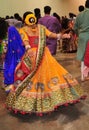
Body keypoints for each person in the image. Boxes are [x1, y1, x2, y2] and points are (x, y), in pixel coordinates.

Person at [4, 12, 86, 115]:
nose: (33, 25)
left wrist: (62, 36)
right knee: (41, 75)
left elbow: (48, 35)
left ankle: (46, 98)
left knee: (43, 75)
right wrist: (28, 46)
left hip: (37, 54)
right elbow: (27, 40)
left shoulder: (27, 29)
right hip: (38, 54)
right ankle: (49, 98)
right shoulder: (35, 29)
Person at [74, 0, 89, 81]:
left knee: (83, 57)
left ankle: (83, 76)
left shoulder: (79, 15)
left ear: (85, 5)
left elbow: (75, 28)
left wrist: (79, 35)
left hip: (82, 37)